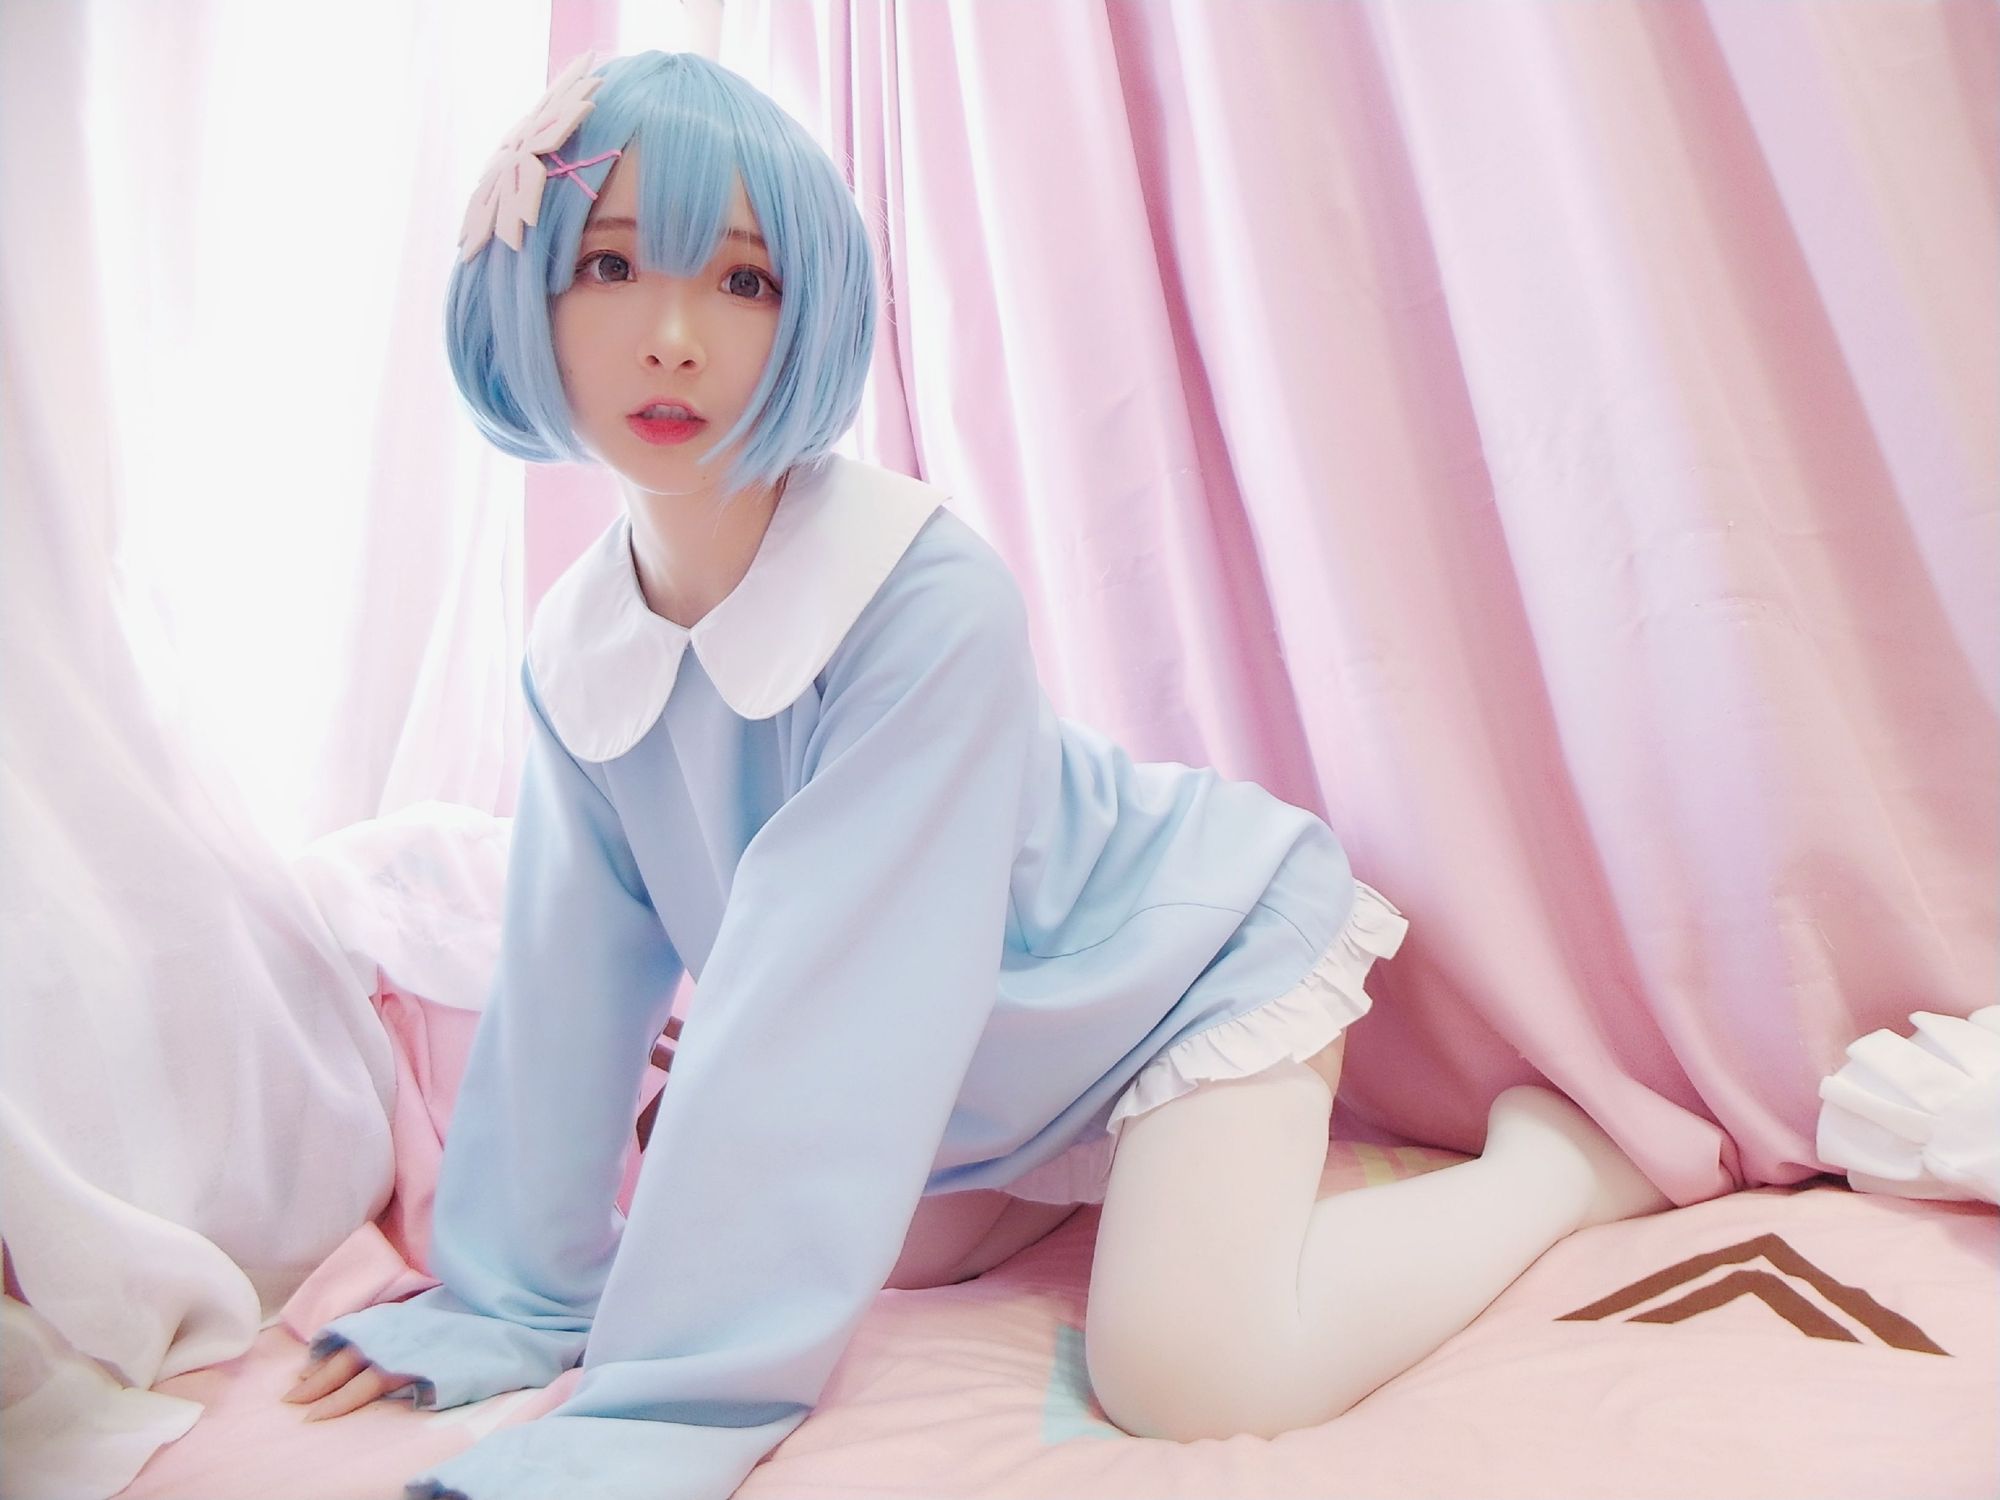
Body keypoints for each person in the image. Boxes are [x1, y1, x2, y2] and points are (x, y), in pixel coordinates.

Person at [281, 49, 1673, 1500]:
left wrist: (663, 1408)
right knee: (848, 1250)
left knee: (1193, 1376)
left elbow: (819, 998)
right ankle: (1098, 1182)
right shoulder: (582, 644)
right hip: (979, 1066)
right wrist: (507, 1301)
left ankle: (1555, 1172)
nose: (674, 337)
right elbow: (565, 984)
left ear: (808, 310)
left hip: (1179, 969)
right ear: (525, 286)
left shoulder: (919, 595)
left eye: (743, 280)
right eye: (613, 264)